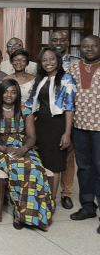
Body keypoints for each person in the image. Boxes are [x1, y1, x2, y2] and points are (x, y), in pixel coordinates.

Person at [0, 79, 54, 231]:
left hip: (23, 147)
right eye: (6, 91)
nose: (9, 95)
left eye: (13, 92)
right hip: (0, 149)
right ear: (0, 93)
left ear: (18, 94)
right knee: (18, 168)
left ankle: (41, 216)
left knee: (37, 169)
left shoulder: (26, 111)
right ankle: (20, 214)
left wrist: (24, 150)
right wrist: (4, 150)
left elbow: (31, 137)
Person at [26, 47, 75, 202]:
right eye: (44, 60)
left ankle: (51, 200)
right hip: (40, 124)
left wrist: (67, 133)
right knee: (41, 161)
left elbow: (69, 107)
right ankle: (41, 197)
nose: (48, 63)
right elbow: (30, 103)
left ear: (58, 60)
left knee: (55, 164)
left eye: (52, 59)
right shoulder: (39, 79)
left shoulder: (67, 79)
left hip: (58, 125)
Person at [66, 35, 100, 231]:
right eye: (85, 46)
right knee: (84, 168)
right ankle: (88, 206)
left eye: (94, 46)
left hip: (99, 128)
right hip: (79, 126)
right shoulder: (73, 68)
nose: (89, 49)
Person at [50, 30, 81, 209]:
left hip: (71, 116)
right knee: (51, 156)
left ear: (67, 42)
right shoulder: (46, 60)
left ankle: (66, 193)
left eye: (62, 40)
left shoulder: (76, 64)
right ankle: (49, 191)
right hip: (50, 118)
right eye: (55, 40)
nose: (59, 43)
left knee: (69, 157)